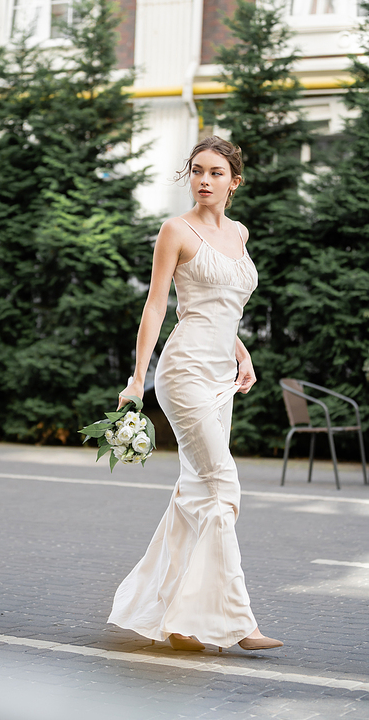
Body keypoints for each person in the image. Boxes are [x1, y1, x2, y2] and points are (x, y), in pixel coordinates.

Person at [107, 136, 283, 652]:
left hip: (220, 375)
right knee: (222, 485)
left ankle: (179, 621)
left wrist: (241, 352)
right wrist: (139, 378)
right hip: (183, 371)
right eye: (197, 170)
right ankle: (237, 622)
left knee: (194, 494)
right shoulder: (174, 231)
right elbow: (158, 306)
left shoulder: (240, 232)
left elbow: (221, 303)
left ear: (235, 181)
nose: (204, 180)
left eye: (215, 172)